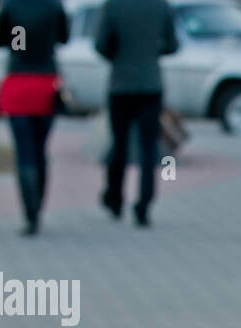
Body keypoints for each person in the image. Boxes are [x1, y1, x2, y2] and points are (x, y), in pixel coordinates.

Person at [95, 0, 180, 227]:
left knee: (119, 143)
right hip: (151, 85)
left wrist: (120, 54)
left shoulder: (113, 6)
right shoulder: (161, 7)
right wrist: (151, 50)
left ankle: (115, 197)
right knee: (149, 147)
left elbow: (101, 46)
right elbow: (173, 45)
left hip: (120, 85)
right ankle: (144, 204)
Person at [0, 0, 68, 236]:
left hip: (18, 78)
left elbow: (0, 41)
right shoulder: (54, 6)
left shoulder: (11, 6)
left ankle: (30, 212)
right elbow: (63, 38)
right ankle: (39, 207)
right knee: (40, 148)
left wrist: (20, 39)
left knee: (24, 149)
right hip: (46, 80)